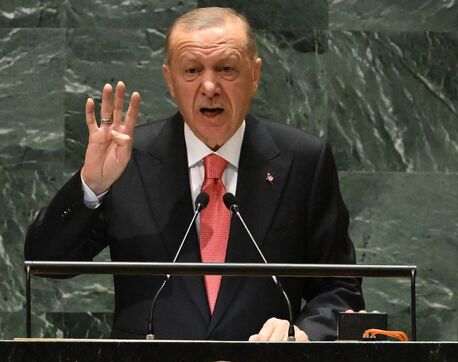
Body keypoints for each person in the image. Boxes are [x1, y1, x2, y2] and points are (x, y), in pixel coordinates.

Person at [24, 7, 364, 341]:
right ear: (170, 80)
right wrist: (92, 186)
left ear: (255, 75)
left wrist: (302, 332)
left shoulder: (303, 160)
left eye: (227, 69)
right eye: (191, 71)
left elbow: (339, 289)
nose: (210, 86)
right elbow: (46, 264)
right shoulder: (127, 158)